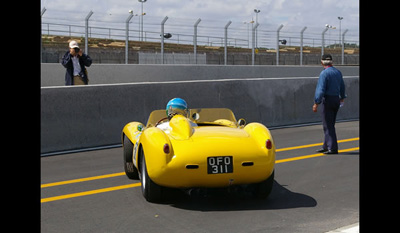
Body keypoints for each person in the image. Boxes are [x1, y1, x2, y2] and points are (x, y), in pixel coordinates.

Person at [313, 54, 346, 154]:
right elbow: (342, 86)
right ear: (332, 62)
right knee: (330, 124)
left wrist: (316, 103)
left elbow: (320, 90)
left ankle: (333, 147)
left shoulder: (324, 74)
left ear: (322, 62)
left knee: (327, 125)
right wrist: (342, 97)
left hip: (327, 100)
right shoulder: (337, 72)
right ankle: (326, 145)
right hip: (336, 99)